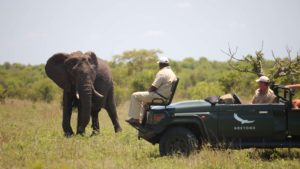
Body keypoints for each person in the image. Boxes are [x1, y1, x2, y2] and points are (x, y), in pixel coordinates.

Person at [126, 56, 177, 125]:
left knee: (135, 95)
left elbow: (153, 87)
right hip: (165, 97)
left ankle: (135, 119)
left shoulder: (162, 73)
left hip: (159, 97)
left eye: (159, 64)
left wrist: (147, 92)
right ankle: (141, 120)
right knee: (143, 99)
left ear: (161, 64)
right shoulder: (172, 73)